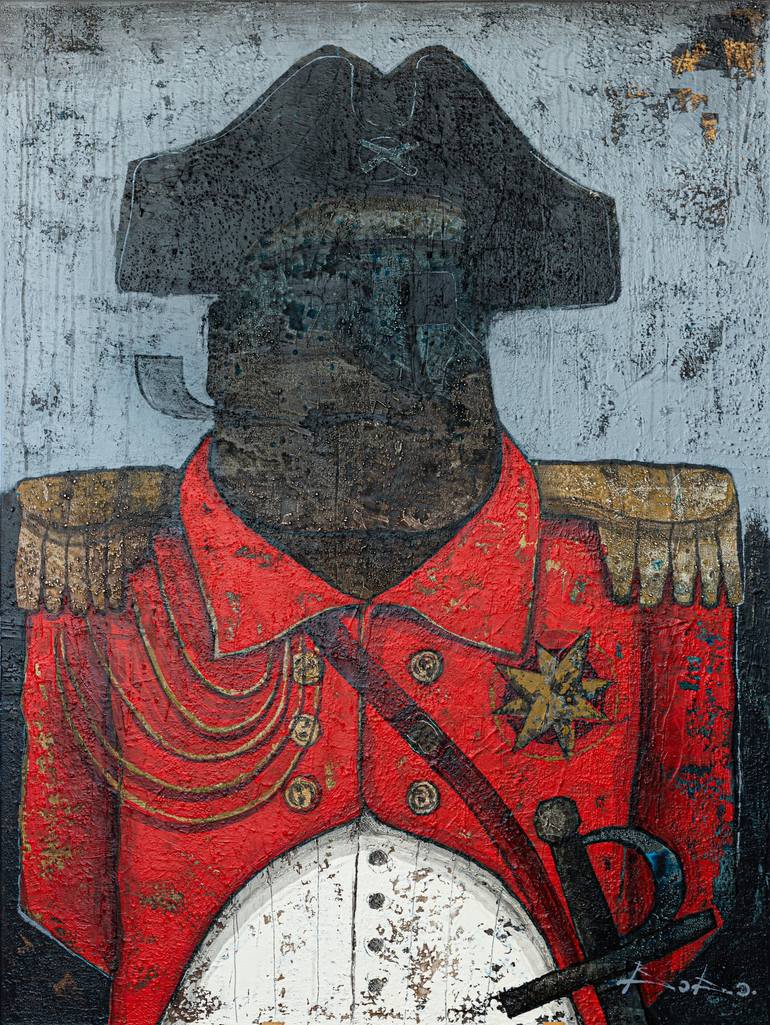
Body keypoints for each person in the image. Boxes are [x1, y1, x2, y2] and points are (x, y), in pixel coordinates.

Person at [14, 47, 740, 1025]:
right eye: (309, 311)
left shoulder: (636, 579)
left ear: (471, 355)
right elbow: (67, 901)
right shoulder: (100, 583)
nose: (369, 356)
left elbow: (679, 892)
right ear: (226, 354)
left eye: (417, 308)